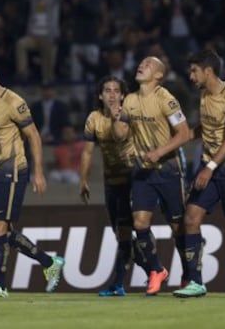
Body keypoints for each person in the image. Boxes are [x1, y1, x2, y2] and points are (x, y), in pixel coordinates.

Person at [0, 60, 65, 298]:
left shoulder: (14, 102)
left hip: (14, 169)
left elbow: (34, 136)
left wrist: (38, 172)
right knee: (6, 232)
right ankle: (49, 263)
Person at [172, 49, 225, 300]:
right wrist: (184, 136)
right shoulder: (205, 95)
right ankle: (196, 283)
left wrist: (208, 168)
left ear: (208, 71)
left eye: (194, 70)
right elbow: (207, 128)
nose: (191, 75)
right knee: (191, 218)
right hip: (209, 166)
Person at [110, 57, 190, 296]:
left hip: (168, 171)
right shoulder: (131, 100)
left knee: (177, 227)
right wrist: (116, 118)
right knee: (140, 223)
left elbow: (184, 133)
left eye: (147, 64)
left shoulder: (167, 100)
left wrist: (159, 152)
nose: (141, 65)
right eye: (140, 62)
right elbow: (120, 135)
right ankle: (157, 270)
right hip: (143, 171)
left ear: (158, 75)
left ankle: (188, 275)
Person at [79, 76, 137, 296]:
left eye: (116, 90)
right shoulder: (93, 119)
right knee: (121, 235)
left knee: (129, 231)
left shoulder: (129, 114)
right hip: (111, 184)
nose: (112, 94)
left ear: (123, 95)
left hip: (132, 181)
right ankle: (150, 268)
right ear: (100, 96)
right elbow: (86, 152)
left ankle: (128, 279)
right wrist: (83, 180)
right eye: (107, 90)